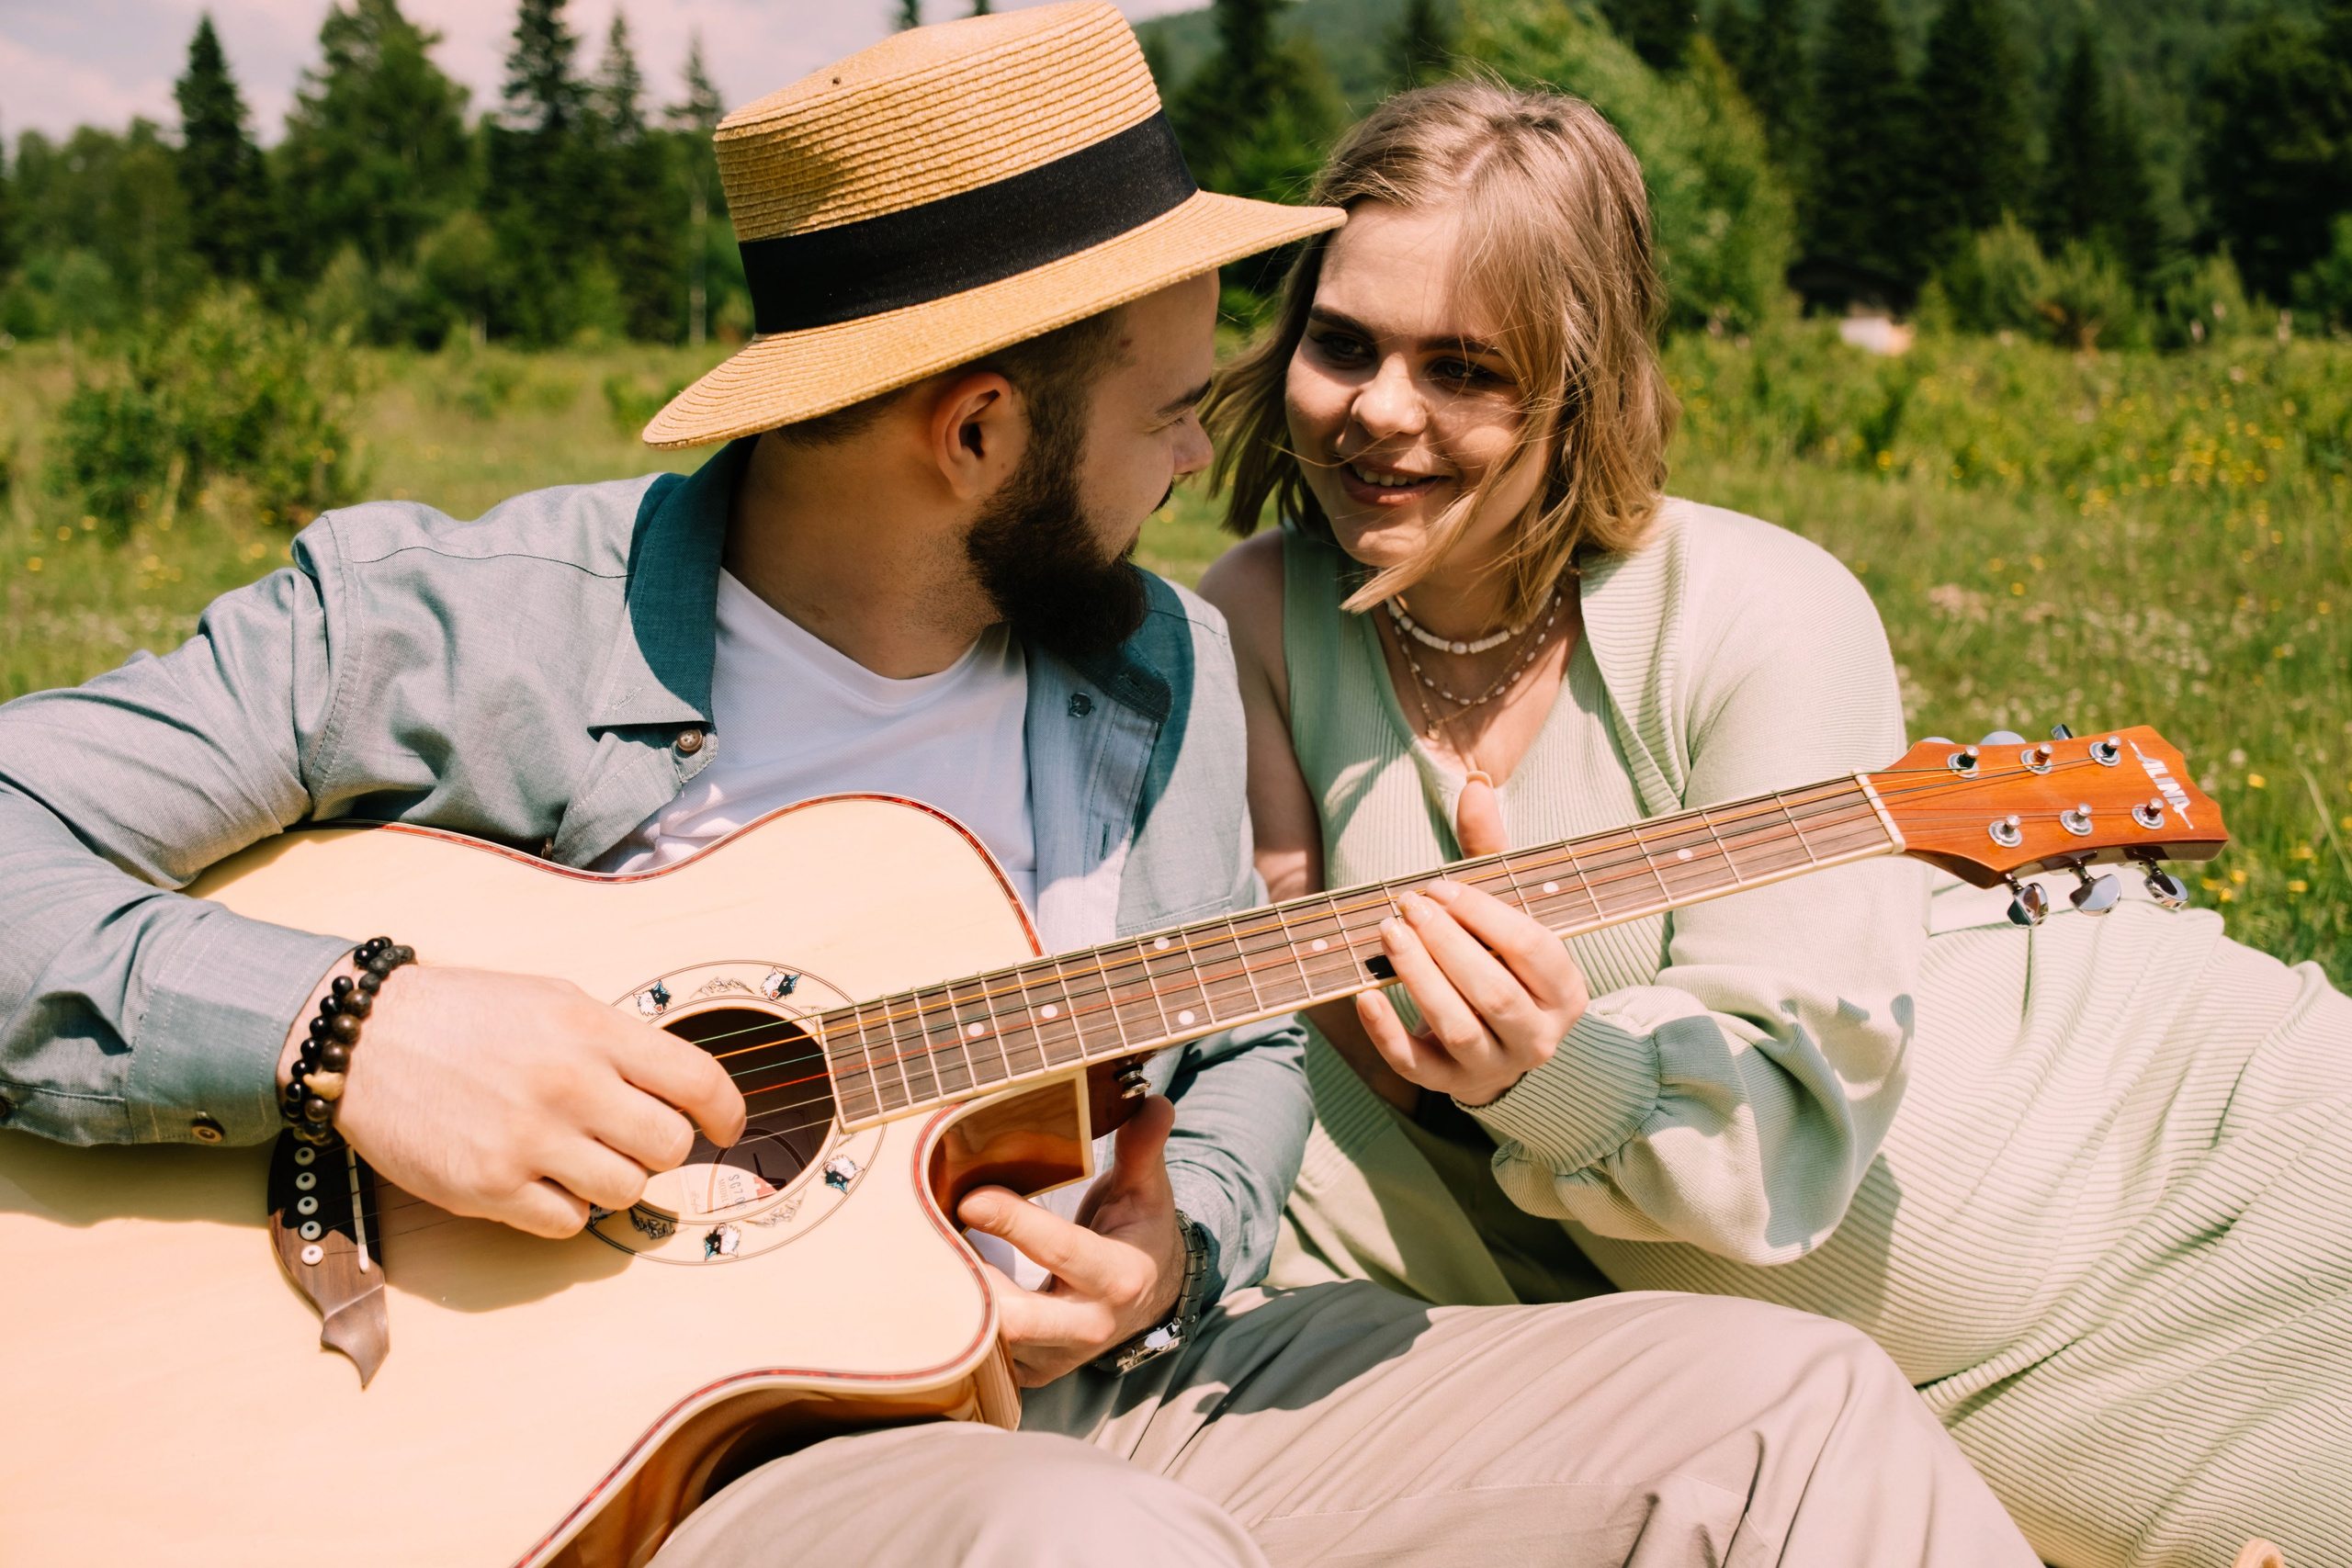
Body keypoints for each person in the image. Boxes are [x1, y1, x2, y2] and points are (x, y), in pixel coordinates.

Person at [0, 9, 2035, 1565]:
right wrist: (354, 1024)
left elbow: (1228, 1036)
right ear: (977, 431)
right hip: (666, 1466)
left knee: (1785, 1404)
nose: (1202, 471)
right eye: (1167, 411)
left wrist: (1181, 1237)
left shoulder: (1147, 667)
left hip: (1100, 1399)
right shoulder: (453, 628)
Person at [1197, 75, 2351, 1568]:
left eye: (1466, 368)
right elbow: (1303, 1077)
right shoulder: (1253, 625)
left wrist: (1556, 1072)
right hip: (1840, 1407)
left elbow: (1782, 1122)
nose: (1380, 411)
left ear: (1580, 386)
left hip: (2181, 1191)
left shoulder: (1764, 613)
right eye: (1343, 343)